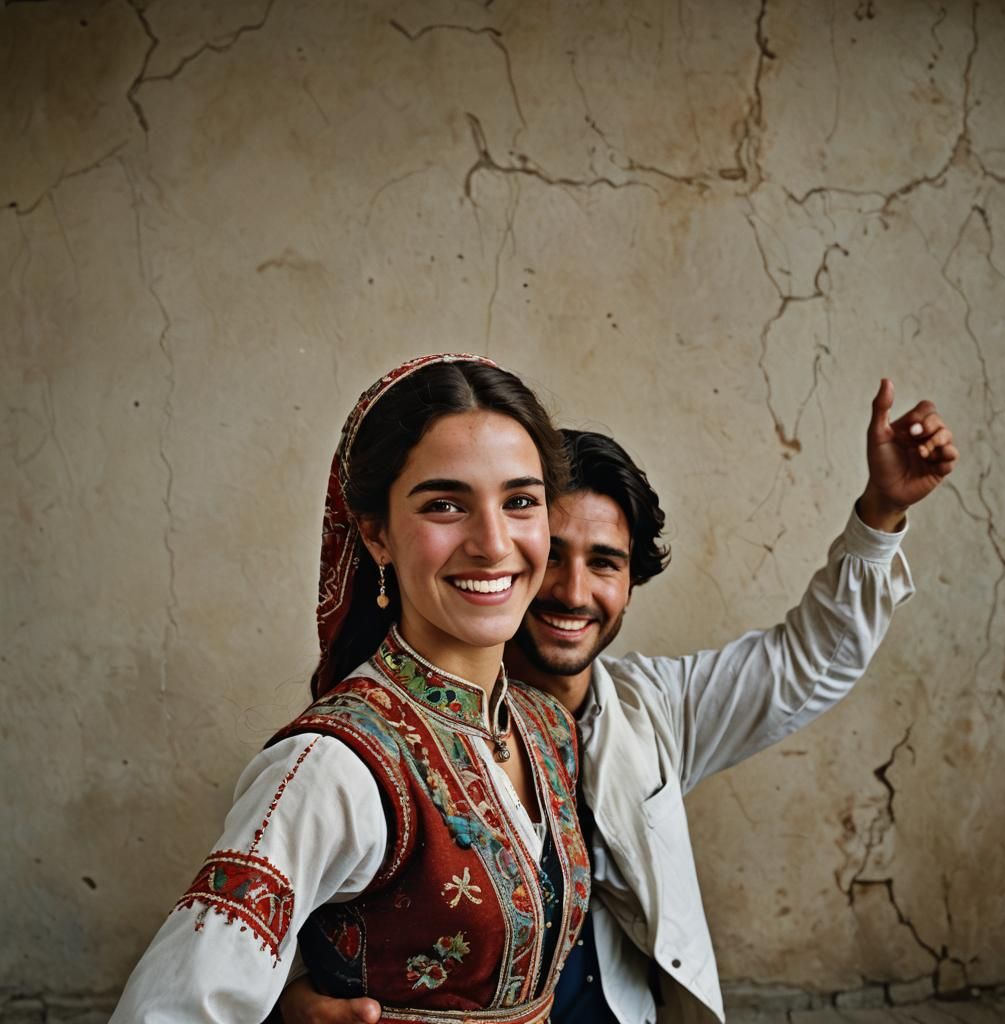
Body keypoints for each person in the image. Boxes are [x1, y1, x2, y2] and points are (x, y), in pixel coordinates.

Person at [278, 380, 958, 1024]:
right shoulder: (374, 741)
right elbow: (271, 928)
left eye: (605, 562)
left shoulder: (654, 709)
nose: (573, 593)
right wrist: (290, 997)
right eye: (555, 556)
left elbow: (809, 661)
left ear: (633, 582)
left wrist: (881, 513)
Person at [111, 354, 592, 1024]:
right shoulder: (336, 764)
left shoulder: (544, 730)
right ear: (376, 535)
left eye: (519, 502)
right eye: (446, 505)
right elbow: (167, 1011)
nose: (492, 541)